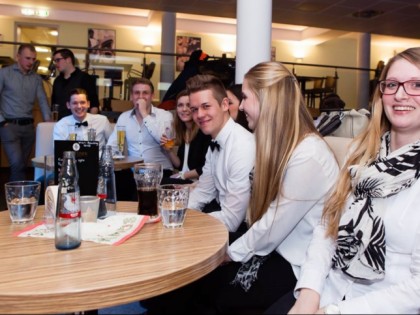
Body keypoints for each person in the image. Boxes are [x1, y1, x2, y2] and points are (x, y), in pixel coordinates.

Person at [268, 47, 420, 314]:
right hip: (330, 289)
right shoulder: (359, 152)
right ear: (381, 93)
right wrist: (308, 294)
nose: (400, 94)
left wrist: (334, 312)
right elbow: (327, 229)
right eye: (392, 84)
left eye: (416, 85)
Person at [186, 74, 255, 233]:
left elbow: (232, 220)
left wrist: (189, 222)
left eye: (206, 106)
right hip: (219, 216)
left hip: (241, 231)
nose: (199, 115)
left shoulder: (242, 145)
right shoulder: (215, 142)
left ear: (225, 104)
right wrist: (177, 213)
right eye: (194, 109)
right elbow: (204, 192)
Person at [107, 77, 174, 199]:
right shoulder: (124, 117)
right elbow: (112, 144)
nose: (141, 96)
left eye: (145, 93)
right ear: (131, 96)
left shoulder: (165, 115)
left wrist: (144, 114)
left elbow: (162, 139)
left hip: (160, 173)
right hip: (134, 174)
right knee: (113, 183)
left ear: (152, 96)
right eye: (137, 93)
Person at [0, 44, 51, 181]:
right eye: (27, 58)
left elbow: (43, 102)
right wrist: (2, 121)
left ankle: (19, 195)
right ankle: (16, 198)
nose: (31, 62)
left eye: (33, 59)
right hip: (9, 126)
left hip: (28, 128)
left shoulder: (36, 79)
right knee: (16, 163)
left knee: (22, 165)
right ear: (18, 57)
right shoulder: (4, 73)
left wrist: (49, 124)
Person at [160, 90, 211, 183]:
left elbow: (205, 168)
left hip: (198, 183)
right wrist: (169, 151)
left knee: (158, 182)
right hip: (185, 181)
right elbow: (179, 165)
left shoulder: (204, 132)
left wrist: (182, 176)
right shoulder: (183, 131)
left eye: (188, 105)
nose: (184, 109)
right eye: (180, 105)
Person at [51, 48, 99, 120]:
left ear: (68, 60)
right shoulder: (57, 81)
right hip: (61, 124)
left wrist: (89, 123)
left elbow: (94, 105)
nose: (56, 64)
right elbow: (54, 106)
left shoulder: (84, 78)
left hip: (80, 124)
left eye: (58, 60)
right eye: (55, 61)